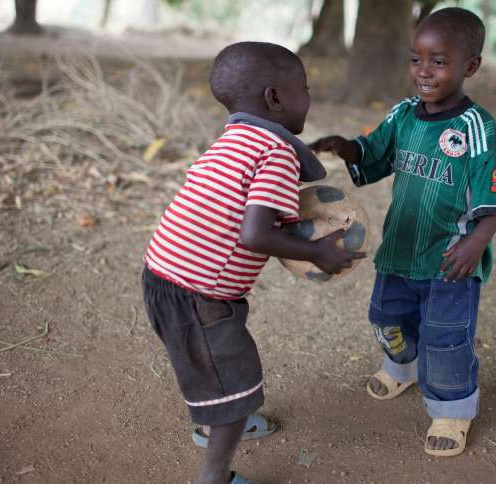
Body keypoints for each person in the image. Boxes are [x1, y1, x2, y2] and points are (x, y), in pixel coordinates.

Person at [142, 41, 365, 484]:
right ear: (275, 98)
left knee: (207, 364)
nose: (309, 97)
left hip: (165, 276)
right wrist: (319, 251)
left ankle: (214, 420)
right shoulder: (276, 153)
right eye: (304, 87)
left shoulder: (236, 139)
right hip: (198, 295)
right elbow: (256, 234)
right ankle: (215, 472)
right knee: (235, 376)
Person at [310, 7, 496, 457]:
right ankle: (402, 367)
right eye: (416, 59)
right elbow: (374, 152)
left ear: (470, 66)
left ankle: (452, 409)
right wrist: (345, 146)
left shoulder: (478, 129)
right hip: (400, 250)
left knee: (445, 337)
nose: (423, 72)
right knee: (387, 317)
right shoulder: (405, 114)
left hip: (450, 259)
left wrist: (477, 241)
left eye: (439, 61)